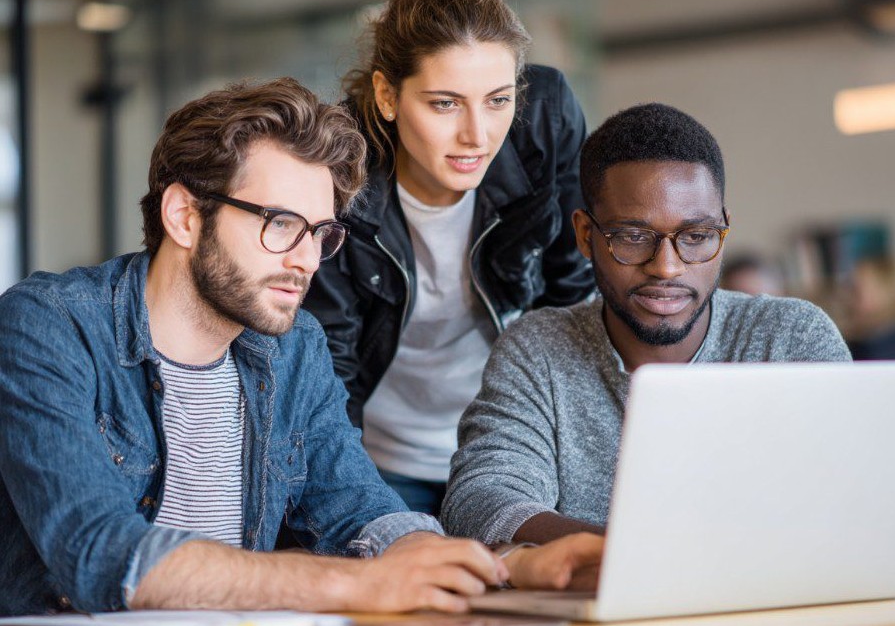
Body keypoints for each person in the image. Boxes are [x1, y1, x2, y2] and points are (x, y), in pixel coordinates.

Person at [0, 78, 521, 617]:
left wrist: (478, 563)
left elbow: (360, 508)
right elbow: (98, 553)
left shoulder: (294, 348)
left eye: (320, 231)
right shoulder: (49, 327)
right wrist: (353, 585)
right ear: (184, 216)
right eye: (282, 224)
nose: (309, 261)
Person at [441, 103, 852, 554]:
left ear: (724, 230)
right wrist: (642, 556)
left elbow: (857, 495)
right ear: (585, 235)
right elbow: (481, 500)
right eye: (632, 237)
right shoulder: (538, 348)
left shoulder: (790, 338)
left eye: (696, 236)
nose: (667, 268)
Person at [303, 0, 594, 516]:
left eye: (497, 101)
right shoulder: (336, 172)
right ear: (388, 95)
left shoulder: (545, 121)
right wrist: (360, 512)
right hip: (380, 462)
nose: (477, 135)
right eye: (444, 104)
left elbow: (574, 301)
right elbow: (329, 372)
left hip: (513, 453)